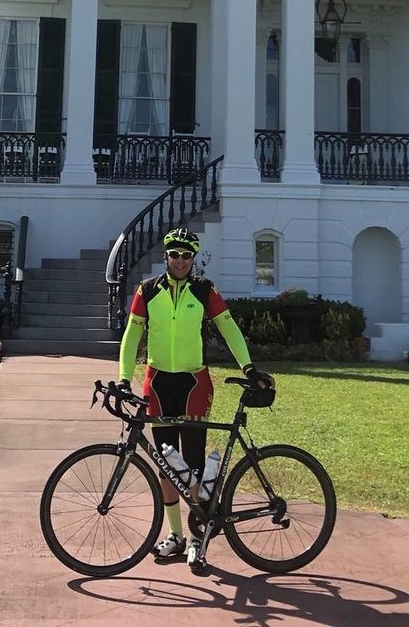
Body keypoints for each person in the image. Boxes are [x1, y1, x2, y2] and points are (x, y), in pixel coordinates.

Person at [117, 226, 273, 564]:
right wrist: (124, 380)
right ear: (166, 256)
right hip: (158, 383)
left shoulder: (204, 290)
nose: (181, 261)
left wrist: (248, 368)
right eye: (175, 254)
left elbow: (229, 328)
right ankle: (175, 534)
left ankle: (197, 539)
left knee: (194, 465)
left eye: (187, 256)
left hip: (194, 384)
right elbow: (131, 335)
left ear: (193, 258)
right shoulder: (147, 290)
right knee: (166, 465)